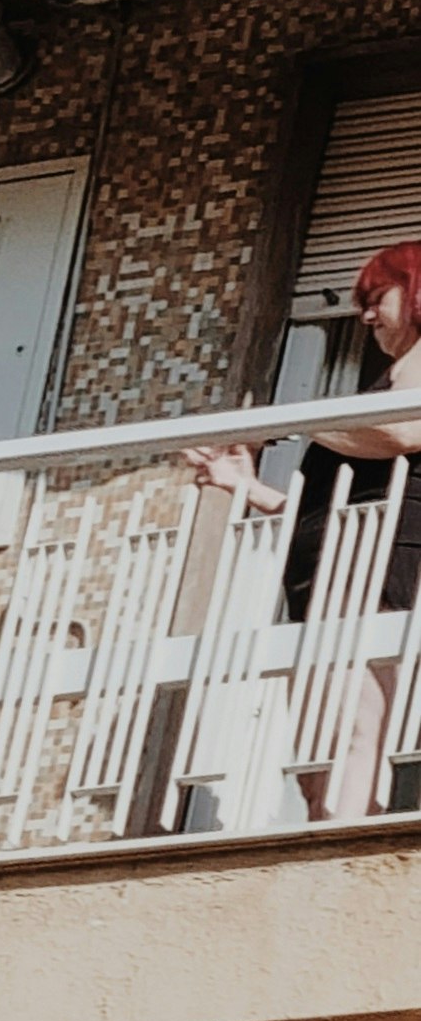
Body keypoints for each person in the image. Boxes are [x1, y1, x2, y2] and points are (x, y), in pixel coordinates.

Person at [184, 238, 421, 820]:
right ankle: (322, 839)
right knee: (317, 746)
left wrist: (291, 424)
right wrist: (244, 486)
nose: (364, 315)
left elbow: (402, 433)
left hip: (375, 567)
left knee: (356, 728)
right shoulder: (380, 387)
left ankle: (341, 857)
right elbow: (324, 509)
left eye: (376, 297)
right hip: (326, 573)